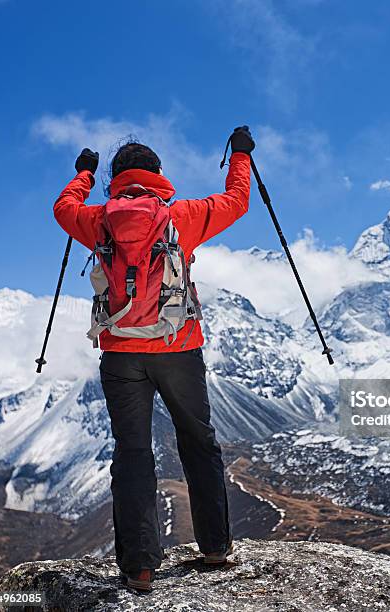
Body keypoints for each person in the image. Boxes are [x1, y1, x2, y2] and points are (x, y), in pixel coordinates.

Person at [53, 126, 255, 592]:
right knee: (197, 442)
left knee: (133, 453)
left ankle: (140, 567)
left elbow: (63, 208)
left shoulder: (97, 219)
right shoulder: (181, 217)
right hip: (177, 348)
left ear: (116, 181)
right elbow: (237, 200)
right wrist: (240, 154)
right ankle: (214, 547)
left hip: (120, 353)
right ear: (158, 175)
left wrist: (83, 173)